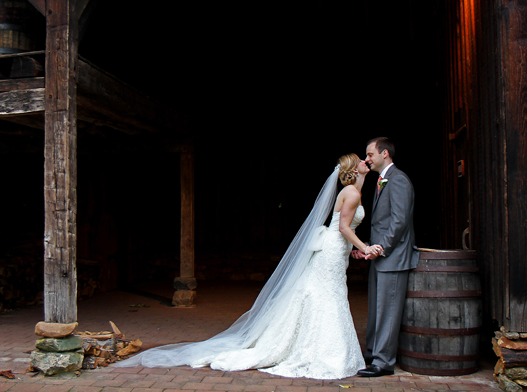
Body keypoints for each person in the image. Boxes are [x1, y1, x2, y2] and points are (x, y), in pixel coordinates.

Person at [121, 154, 381, 379]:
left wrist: (356, 249)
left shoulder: (354, 192)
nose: (364, 160)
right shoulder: (351, 193)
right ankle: (323, 354)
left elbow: (343, 229)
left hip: (337, 251)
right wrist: (366, 247)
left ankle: (322, 349)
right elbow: (344, 227)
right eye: (360, 159)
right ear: (352, 169)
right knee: (327, 297)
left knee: (326, 296)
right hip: (332, 251)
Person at [356, 137, 418, 377]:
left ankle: (383, 362)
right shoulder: (383, 180)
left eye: (370, 154)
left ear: (385, 154)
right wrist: (370, 246)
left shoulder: (399, 179)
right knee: (376, 308)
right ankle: (372, 354)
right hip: (380, 255)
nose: (367, 159)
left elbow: (399, 221)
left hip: (392, 256)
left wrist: (381, 248)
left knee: (388, 311)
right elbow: (383, 223)